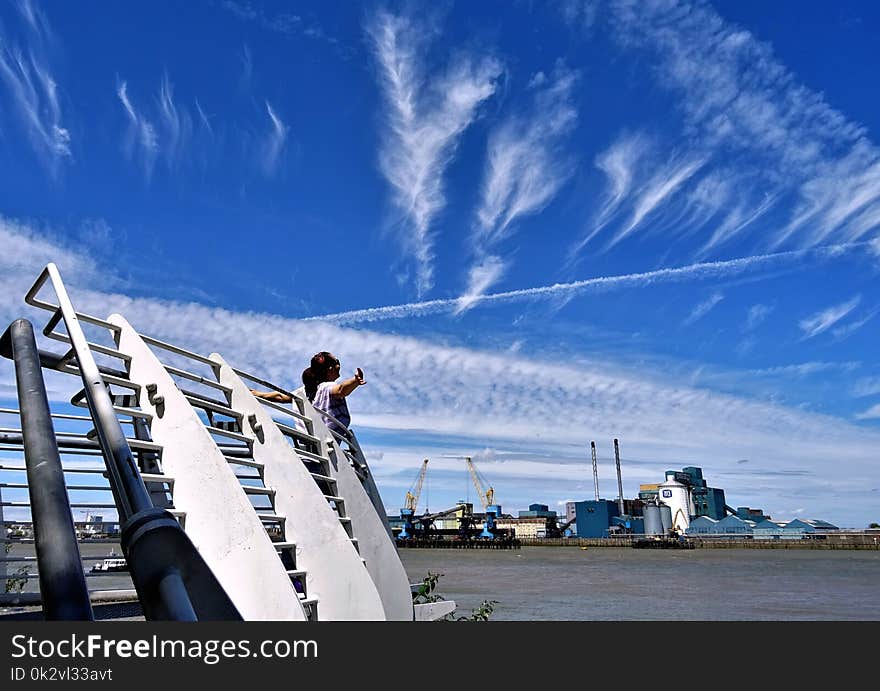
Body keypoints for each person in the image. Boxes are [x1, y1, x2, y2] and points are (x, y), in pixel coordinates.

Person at [251, 351, 366, 434]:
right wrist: (355, 381)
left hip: (308, 443)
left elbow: (281, 396)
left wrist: (258, 394)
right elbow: (341, 390)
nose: (339, 364)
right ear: (330, 369)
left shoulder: (306, 390)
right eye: (337, 361)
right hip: (325, 444)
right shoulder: (327, 387)